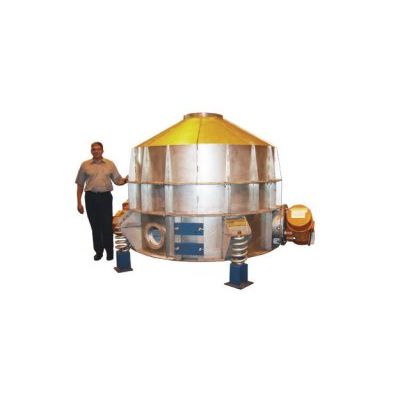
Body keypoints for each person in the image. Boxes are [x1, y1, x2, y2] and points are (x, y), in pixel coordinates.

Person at [75, 142, 128, 261]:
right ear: (91, 151)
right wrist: (79, 203)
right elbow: (80, 184)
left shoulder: (110, 164)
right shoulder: (85, 165)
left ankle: (109, 252)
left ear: (102, 150)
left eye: (98, 149)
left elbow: (118, 180)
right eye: (94, 149)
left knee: (107, 225)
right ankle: (98, 252)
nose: (96, 151)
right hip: (90, 198)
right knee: (95, 226)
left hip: (105, 198)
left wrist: (126, 180)